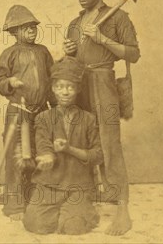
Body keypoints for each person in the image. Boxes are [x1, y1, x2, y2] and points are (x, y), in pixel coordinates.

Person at [63, 0, 140, 235]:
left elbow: (133, 54)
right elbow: (71, 61)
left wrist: (102, 39)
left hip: (103, 85)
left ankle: (122, 210)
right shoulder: (74, 23)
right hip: (78, 85)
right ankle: (86, 201)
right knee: (81, 140)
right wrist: (69, 50)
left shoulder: (118, 18)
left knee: (109, 144)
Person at [23, 57, 103, 235]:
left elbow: (98, 155)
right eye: (59, 87)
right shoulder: (43, 118)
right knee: (35, 224)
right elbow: (43, 143)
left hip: (78, 185)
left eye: (70, 87)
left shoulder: (88, 119)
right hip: (50, 184)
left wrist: (69, 149)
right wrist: (47, 157)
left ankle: (76, 211)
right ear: (53, 89)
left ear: (78, 89)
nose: (65, 92)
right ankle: (63, 211)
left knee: (73, 227)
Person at [0, 5, 55, 220]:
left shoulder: (43, 52)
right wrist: (9, 81)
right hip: (18, 112)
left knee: (41, 156)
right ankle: (14, 206)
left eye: (33, 27)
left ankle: (37, 200)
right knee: (16, 159)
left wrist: (55, 108)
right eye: (26, 28)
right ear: (14, 31)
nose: (32, 31)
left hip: (41, 112)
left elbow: (52, 80)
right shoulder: (8, 54)